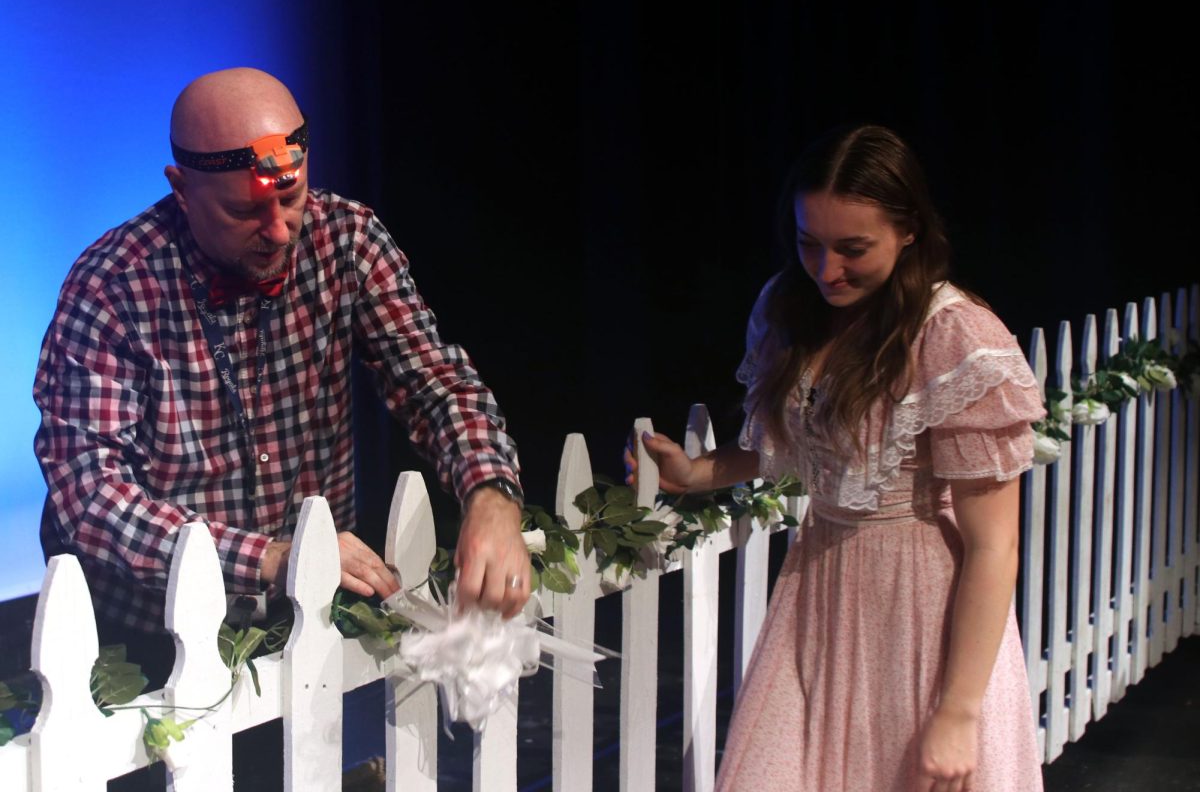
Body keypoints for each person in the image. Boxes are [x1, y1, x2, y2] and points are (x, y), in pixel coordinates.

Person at [33, 67, 533, 681]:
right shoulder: (112, 287)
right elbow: (89, 493)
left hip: (304, 621)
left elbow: (434, 385)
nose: (278, 230)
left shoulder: (347, 239)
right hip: (145, 633)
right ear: (182, 188)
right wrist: (266, 558)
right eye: (246, 210)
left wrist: (492, 495)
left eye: (290, 198)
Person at [635, 125, 1044, 791]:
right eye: (809, 244)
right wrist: (699, 473)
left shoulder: (950, 332)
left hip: (917, 609)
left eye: (853, 249)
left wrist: (958, 712)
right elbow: (810, 452)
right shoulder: (789, 309)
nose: (827, 270)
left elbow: (995, 547)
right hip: (818, 590)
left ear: (909, 230)